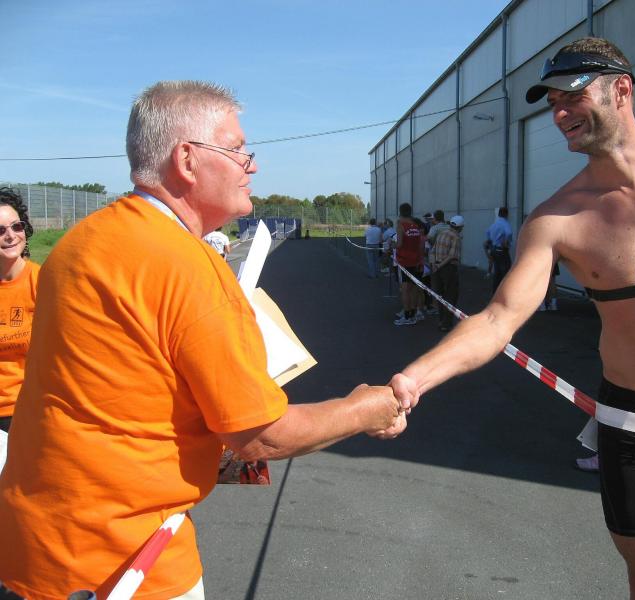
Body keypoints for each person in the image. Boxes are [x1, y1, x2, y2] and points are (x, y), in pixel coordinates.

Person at [390, 38, 635, 599]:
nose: (559, 115)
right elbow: (498, 319)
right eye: (553, 104)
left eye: (572, 97)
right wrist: (413, 379)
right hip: (629, 421)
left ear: (621, 89)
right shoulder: (555, 218)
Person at [0, 81, 407, 600]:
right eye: (238, 149)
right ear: (187, 160)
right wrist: (367, 408)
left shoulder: (81, 242)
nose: (251, 165)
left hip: (30, 544)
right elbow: (261, 437)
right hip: (126, 563)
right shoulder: (187, 266)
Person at [0, 188, 39, 435]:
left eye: (17, 226)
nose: (11, 236)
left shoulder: (43, 281)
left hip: (26, 408)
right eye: (0, 230)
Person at [431, 215, 464, 332]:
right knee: (451, 295)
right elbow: (451, 256)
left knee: (439, 295)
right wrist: (440, 265)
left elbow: (433, 251)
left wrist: (434, 265)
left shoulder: (441, 234)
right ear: (460, 227)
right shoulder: (456, 237)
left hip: (436, 267)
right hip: (448, 268)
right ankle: (446, 323)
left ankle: (441, 321)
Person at [393, 203, 424, 326]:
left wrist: (391, 244)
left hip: (404, 261)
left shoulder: (401, 225)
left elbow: (399, 244)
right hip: (415, 261)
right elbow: (419, 245)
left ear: (400, 212)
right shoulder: (415, 225)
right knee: (413, 289)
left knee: (405, 289)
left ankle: (407, 316)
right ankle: (413, 314)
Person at [485, 206, 513, 292]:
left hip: (494, 249)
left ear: (499, 214)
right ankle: (505, 292)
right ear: (506, 214)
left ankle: (495, 293)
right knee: (506, 272)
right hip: (502, 251)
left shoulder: (494, 224)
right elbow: (509, 233)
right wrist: (506, 241)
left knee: (497, 273)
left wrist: (491, 240)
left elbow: (487, 232)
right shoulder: (505, 223)